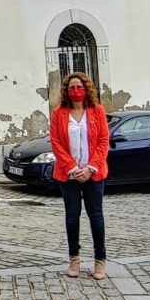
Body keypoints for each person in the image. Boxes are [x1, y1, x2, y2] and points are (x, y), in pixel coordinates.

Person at [48, 71, 110, 280]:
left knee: (96, 217)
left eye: (79, 87)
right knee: (72, 217)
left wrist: (91, 167)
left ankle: (100, 260)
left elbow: (103, 141)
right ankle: (74, 258)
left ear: (87, 89)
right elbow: (56, 142)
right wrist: (72, 168)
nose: (76, 91)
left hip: (93, 173)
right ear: (66, 91)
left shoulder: (97, 111)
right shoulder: (58, 113)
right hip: (69, 174)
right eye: (72, 87)